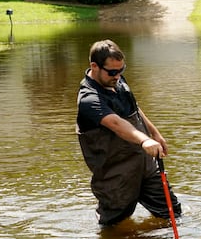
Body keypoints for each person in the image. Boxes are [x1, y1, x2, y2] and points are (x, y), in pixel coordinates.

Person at [76, 39, 182, 225]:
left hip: (146, 166)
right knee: (114, 226)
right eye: (113, 72)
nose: (117, 76)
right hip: (117, 176)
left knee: (173, 213)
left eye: (121, 70)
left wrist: (154, 133)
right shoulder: (89, 99)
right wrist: (144, 141)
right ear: (94, 66)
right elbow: (116, 123)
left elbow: (134, 108)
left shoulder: (117, 80)